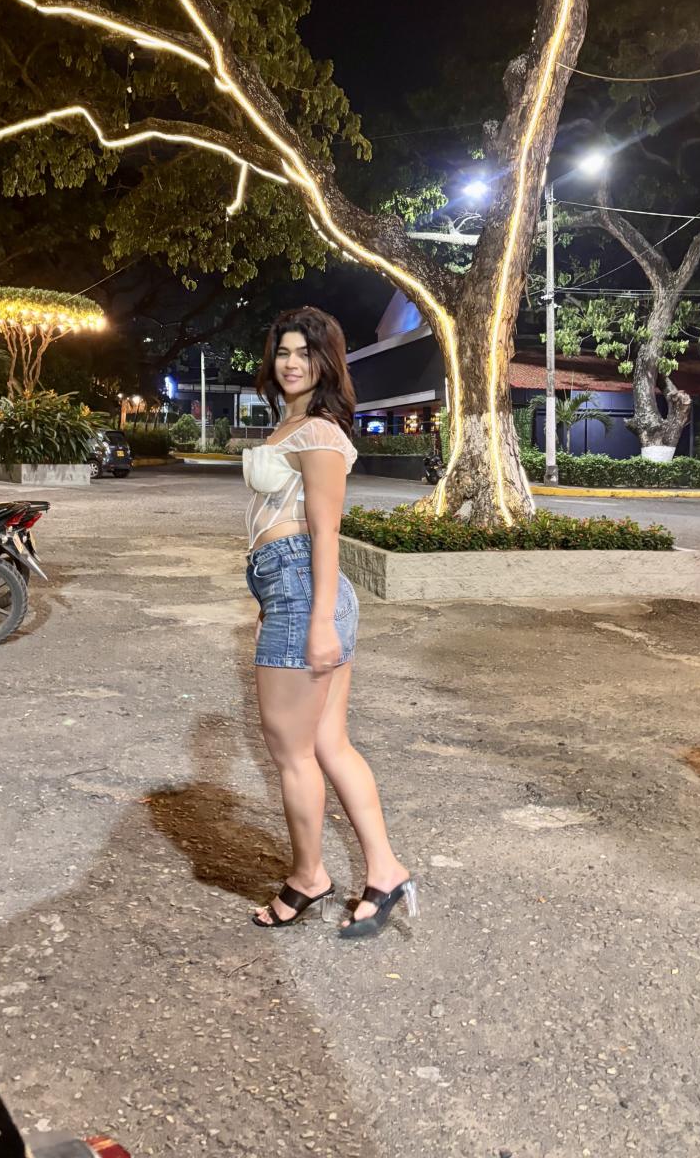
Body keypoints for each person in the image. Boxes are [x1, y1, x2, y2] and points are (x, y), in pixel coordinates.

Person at [243, 306, 417, 938]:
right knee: (328, 745)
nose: (292, 362)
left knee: (292, 753)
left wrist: (318, 621)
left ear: (326, 362)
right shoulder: (291, 423)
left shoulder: (317, 432)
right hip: (290, 588)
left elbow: (325, 533)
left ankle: (309, 878)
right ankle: (386, 872)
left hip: (303, 589)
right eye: (284, 351)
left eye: (305, 353)